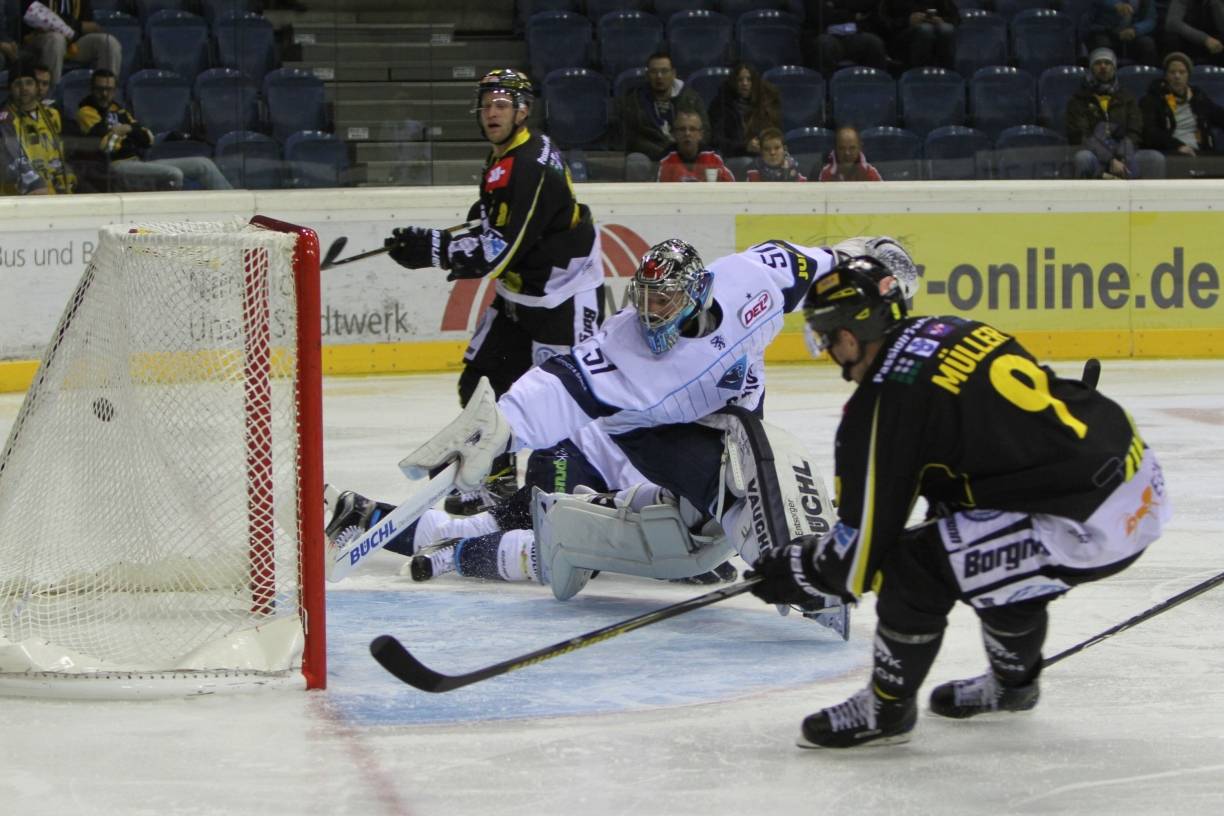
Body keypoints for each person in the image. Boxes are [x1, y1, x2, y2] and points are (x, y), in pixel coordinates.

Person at [386, 236, 919, 634]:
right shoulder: (623, 349)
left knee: (694, 538)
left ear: (698, 293)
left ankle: (597, 520)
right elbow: (558, 385)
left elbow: (828, 263)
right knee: (739, 486)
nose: (648, 314)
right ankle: (804, 578)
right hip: (655, 433)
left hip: (729, 413)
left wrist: (872, 257)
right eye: (643, 299)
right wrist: (499, 430)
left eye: (662, 301)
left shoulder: (753, 279)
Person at [747, 254, 1171, 749]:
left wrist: (798, 570)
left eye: (825, 338)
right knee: (968, 539)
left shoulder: (882, 408)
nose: (827, 350)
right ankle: (1013, 685)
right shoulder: (950, 327)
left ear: (848, 336)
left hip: (1090, 524)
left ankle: (887, 710)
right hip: (1136, 476)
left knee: (913, 568)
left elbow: (858, 558)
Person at [382, 68, 605, 515]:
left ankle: (559, 501)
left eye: (501, 104)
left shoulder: (527, 164)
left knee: (562, 403)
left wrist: (434, 248)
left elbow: (497, 253)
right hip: (520, 296)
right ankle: (497, 483)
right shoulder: (509, 153)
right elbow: (504, 224)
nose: (491, 112)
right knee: (481, 382)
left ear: (523, 110)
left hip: (564, 297)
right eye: (486, 105)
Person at [75, 69, 231, 191]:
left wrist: (123, 129)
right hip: (116, 166)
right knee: (173, 174)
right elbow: (106, 147)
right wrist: (125, 132)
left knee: (203, 164)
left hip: (138, 162)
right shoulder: (86, 111)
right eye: (100, 89)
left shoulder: (119, 110)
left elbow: (147, 138)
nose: (104, 94)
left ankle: (237, 210)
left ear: (115, 90)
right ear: (92, 89)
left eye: (109, 89)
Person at [1066, 47, 1164, 179]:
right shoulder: (1078, 100)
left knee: (1155, 158)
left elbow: (1134, 131)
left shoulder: (1127, 98)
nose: (1103, 66)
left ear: (1114, 68)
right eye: (1098, 63)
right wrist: (1110, 160)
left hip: (1125, 155)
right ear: (1091, 68)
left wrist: (1122, 156)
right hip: (1095, 155)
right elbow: (1083, 137)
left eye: (1107, 63)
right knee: (1083, 158)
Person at [613, 48, 710, 181]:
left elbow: (705, 131)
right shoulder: (634, 100)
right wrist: (664, 151)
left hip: (685, 155)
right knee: (635, 161)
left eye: (664, 71)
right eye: (654, 71)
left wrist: (682, 150)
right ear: (647, 75)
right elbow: (631, 138)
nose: (659, 76)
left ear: (673, 73)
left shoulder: (691, 98)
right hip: (651, 155)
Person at [1140, 51, 1224, 176]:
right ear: (1166, 76)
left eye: (1182, 72)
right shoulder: (1153, 99)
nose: (1177, 76)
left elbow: (1218, 115)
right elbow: (1150, 132)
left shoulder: (1197, 96)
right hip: (1172, 152)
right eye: (1172, 72)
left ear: (1188, 75)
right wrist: (1177, 146)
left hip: (1202, 151)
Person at [1, 63, 73, 194]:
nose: (24, 88)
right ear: (10, 89)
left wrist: (66, 178)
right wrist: (36, 185)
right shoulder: (5, 120)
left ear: (36, 86)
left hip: (53, 189)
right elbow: (13, 161)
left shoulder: (52, 114)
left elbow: (59, 154)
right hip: (25, 193)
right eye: (18, 84)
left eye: (29, 83)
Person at [17, 0, 121, 86]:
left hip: (73, 42)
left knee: (108, 42)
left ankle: (105, 93)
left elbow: (88, 23)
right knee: (56, 39)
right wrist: (79, 26)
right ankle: (50, 97)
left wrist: (82, 27)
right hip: (38, 39)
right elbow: (32, 13)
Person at [707, 61, 781, 159]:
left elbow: (774, 133)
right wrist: (745, 147)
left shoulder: (764, 104)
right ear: (734, 82)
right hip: (734, 157)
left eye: (749, 79)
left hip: (764, 154)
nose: (744, 83)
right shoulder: (721, 105)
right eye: (740, 80)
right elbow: (717, 140)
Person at [801, 1, 889, 78]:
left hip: (854, 34)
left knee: (874, 43)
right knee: (825, 44)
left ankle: (876, 85)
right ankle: (826, 88)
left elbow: (866, 5)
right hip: (827, 34)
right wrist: (853, 15)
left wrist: (836, 4)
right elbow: (821, 16)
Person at [877, 0, 960, 72]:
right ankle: (919, 75)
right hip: (901, 38)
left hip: (937, 31)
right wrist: (907, 21)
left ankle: (947, 75)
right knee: (925, 29)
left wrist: (941, 20)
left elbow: (955, 18)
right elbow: (882, 20)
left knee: (947, 29)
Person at [656, 109, 736, 182]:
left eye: (692, 129)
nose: (687, 133)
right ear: (674, 134)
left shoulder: (712, 157)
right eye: (682, 129)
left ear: (700, 134)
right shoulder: (665, 160)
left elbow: (731, 185)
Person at [1082, 0, 1159, 68]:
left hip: (1132, 34)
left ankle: (1145, 77)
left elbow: (1151, 20)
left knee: (1147, 45)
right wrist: (1116, 4)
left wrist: (1135, 30)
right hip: (1105, 31)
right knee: (1102, 45)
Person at [1161, 0, 1224, 68]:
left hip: (1214, 43)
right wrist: (1205, 39)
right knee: (1171, 36)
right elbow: (1172, 23)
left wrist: (1216, 4)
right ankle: (1176, 70)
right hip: (1187, 41)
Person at [817, 125, 882, 181]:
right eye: (842, 148)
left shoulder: (870, 173)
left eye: (852, 148)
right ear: (835, 148)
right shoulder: (825, 173)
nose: (847, 153)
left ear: (860, 147)